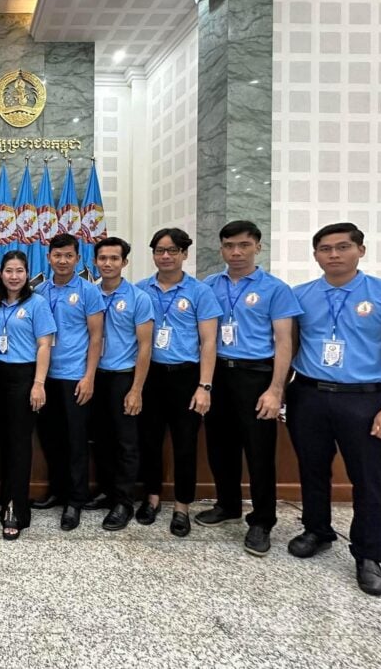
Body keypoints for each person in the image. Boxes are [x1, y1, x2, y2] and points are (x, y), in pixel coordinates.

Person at [286, 222, 381, 596]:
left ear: (360, 250)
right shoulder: (300, 296)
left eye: (343, 247)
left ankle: (368, 554)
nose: (334, 255)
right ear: (315, 255)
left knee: (368, 478)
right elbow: (289, 345)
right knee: (311, 468)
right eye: (325, 249)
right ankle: (317, 529)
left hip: (363, 397)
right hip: (310, 394)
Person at [199, 221, 302, 555]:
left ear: (258, 246)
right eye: (229, 246)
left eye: (244, 245)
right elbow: (207, 337)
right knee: (219, 445)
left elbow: (285, 341)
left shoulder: (275, 288)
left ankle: (262, 520)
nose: (236, 252)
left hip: (256, 376)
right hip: (218, 375)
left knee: (258, 451)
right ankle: (228, 504)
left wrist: (276, 389)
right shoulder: (209, 285)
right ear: (221, 249)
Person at [135, 228, 221, 537]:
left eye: (173, 250)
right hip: (150, 376)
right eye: (160, 250)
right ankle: (152, 498)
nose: (166, 256)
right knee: (150, 441)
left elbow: (209, 342)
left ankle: (182, 506)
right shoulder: (141, 289)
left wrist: (205, 385)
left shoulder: (200, 292)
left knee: (185, 445)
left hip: (187, 376)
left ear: (184, 254)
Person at [33, 233, 105, 531]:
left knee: (76, 441)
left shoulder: (89, 292)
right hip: (44, 378)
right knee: (51, 438)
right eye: (57, 255)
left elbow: (97, 337)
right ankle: (58, 491)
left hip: (75, 377)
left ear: (77, 259)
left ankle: (75, 500)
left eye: (68, 256)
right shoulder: (38, 291)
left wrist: (89, 377)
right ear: (48, 257)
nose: (62, 261)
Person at [0, 250, 56, 540]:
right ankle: (5, 499)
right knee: (4, 441)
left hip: (24, 377)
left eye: (19, 271)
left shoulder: (37, 303)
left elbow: (45, 345)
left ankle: (18, 509)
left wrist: (38, 383)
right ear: (0, 273)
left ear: (27, 274)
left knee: (19, 444)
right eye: (9, 271)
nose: (14, 276)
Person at [91, 237, 154, 531]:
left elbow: (145, 346)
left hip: (124, 377)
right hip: (95, 376)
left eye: (114, 258)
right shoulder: (91, 294)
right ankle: (106, 491)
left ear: (124, 262)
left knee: (126, 442)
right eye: (102, 258)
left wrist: (136, 389)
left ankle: (124, 501)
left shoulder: (139, 297)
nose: (108, 263)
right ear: (95, 261)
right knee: (101, 439)